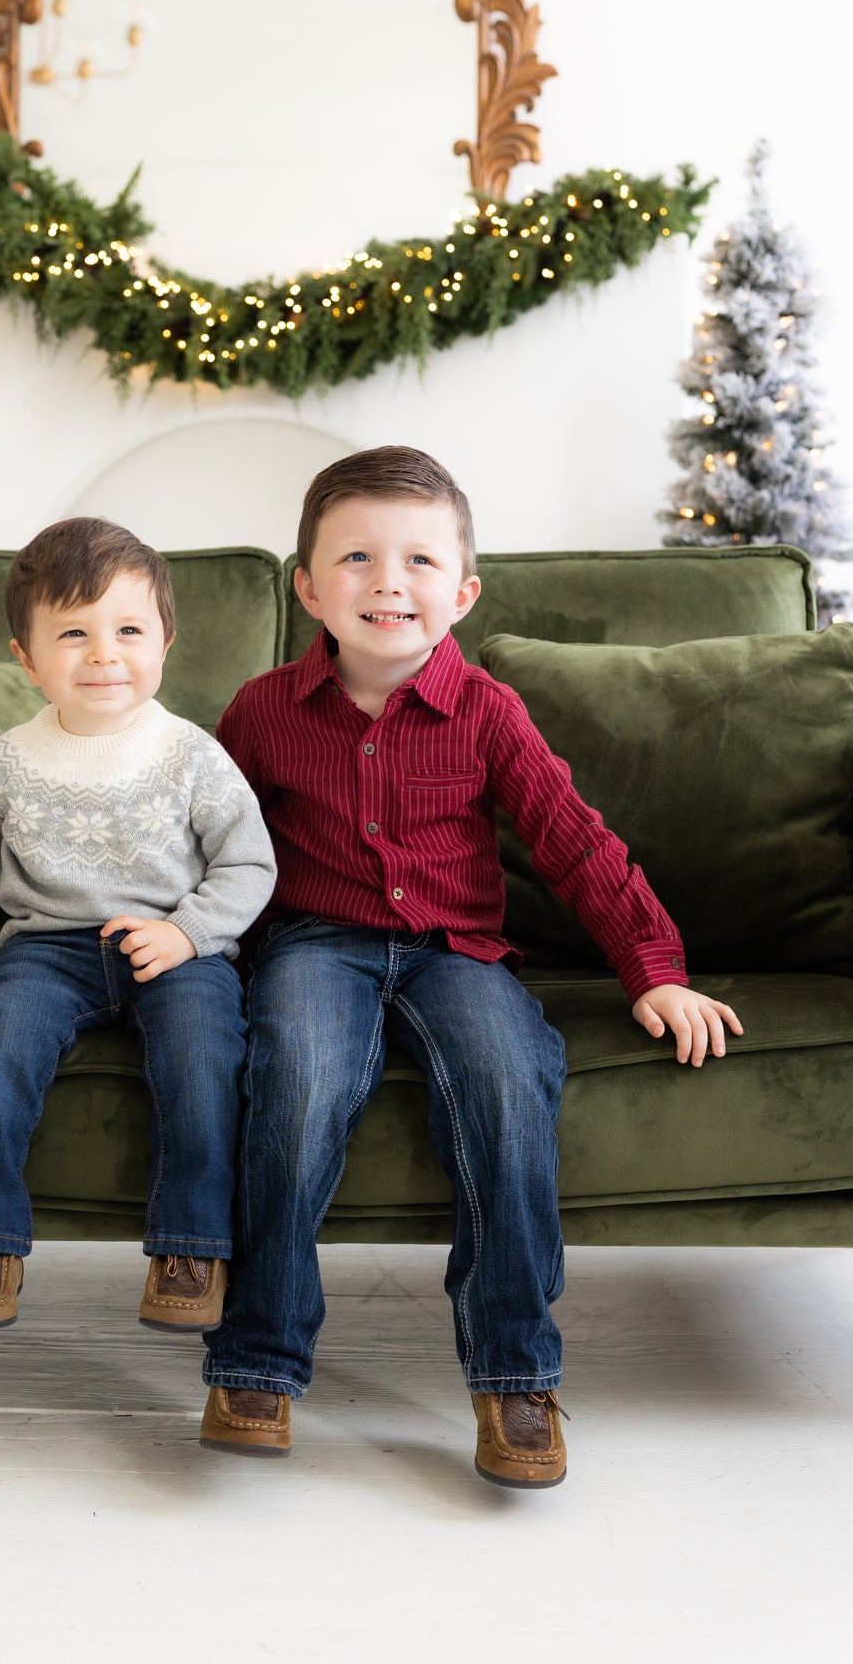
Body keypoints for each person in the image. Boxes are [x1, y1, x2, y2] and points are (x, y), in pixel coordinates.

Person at [198, 446, 743, 1487]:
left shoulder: (488, 711)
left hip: (459, 955)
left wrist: (652, 968)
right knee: (297, 1082)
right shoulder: (262, 711)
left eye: (415, 560)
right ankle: (257, 1361)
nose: (386, 582)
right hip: (314, 944)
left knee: (505, 1083)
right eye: (354, 558)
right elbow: (215, 847)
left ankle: (513, 1374)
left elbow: (573, 842)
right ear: (307, 586)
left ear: (462, 590)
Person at [0, 517, 276, 1337]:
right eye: (73, 633)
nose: (103, 654)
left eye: (128, 629)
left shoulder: (192, 754)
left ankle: (191, 1246)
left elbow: (250, 866)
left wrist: (189, 932)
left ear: (166, 641)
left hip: (174, 945)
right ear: (26, 659)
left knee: (205, 1056)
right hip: (47, 950)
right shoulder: (5, 762)